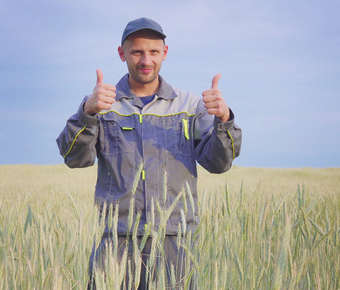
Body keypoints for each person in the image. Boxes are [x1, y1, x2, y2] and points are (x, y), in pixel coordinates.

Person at [56, 17, 242, 288]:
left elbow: (218, 163)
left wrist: (224, 120)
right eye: (137, 52)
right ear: (122, 54)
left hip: (175, 243)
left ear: (164, 53)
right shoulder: (102, 103)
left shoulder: (190, 105)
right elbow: (74, 157)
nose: (146, 60)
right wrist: (87, 113)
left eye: (153, 52)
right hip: (116, 242)